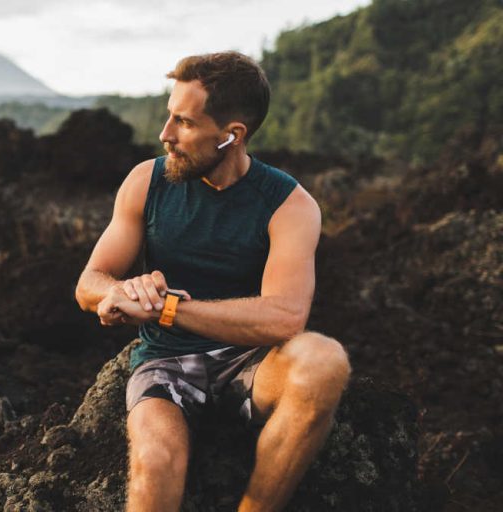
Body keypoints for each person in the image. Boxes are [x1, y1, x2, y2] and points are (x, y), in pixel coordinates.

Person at [74, 51, 351, 512]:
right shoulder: (146, 181)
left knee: (324, 359)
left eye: (184, 122)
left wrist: (167, 308)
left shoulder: (290, 205)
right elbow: (89, 282)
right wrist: (119, 293)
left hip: (251, 362)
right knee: (156, 459)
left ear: (232, 135)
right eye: (169, 116)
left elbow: (285, 317)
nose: (165, 134)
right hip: (164, 362)